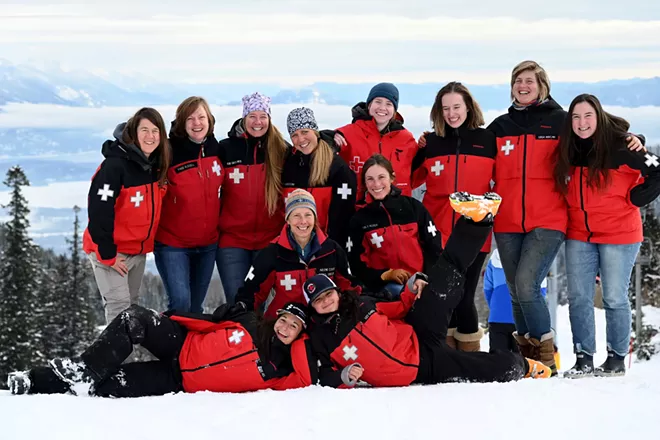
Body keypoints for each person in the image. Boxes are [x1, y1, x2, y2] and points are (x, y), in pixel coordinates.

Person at [483, 61, 644, 373]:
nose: (523, 85)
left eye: (530, 80)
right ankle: (528, 360)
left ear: (542, 85)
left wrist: (630, 137)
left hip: (550, 219)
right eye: (518, 80)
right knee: (516, 289)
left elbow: (596, 133)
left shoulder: (560, 122)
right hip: (508, 220)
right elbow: (476, 152)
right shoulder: (500, 126)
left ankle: (545, 358)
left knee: (528, 284)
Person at [305, 195, 551, 389]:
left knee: (441, 283)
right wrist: (344, 376)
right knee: (481, 369)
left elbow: (397, 308)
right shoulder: (322, 338)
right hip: (423, 367)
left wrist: (411, 289)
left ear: (337, 292)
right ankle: (523, 366)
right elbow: (323, 374)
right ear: (312, 308)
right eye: (318, 300)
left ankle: (478, 220)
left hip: (417, 331)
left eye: (328, 294)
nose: (326, 301)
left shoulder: (358, 304)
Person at [553, 94, 660, 378]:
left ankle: (615, 358)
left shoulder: (622, 147)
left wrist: (639, 197)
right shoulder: (568, 147)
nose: (582, 123)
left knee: (613, 297)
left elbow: (658, 169)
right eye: (575, 117)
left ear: (599, 117)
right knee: (578, 297)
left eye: (588, 116)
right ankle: (583, 358)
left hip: (620, 234)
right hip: (579, 233)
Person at [7, 302, 316, 397]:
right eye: (284, 320)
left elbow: (304, 376)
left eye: (294, 327)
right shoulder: (251, 322)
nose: (284, 328)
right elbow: (211, 319)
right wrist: (172, 320)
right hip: (180, 343)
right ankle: (84, 369)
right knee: (133, 319)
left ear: (300, 335)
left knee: (110, 384)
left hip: (176, 380)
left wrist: (303, 338)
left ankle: (33, 380)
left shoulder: (279, 373)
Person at [412, 82, 496, 351]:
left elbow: (504, 182)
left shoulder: (487, 141)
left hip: (474, 233)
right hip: (437, 232)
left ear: (468, 107)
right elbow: (410, 179)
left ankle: (470, 354)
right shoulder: (432, 144)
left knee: (463, 296)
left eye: (456, 107)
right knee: (440, 297)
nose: (451, 113)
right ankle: (444, 354)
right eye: (445, 108)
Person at [82, 108, 169, 323]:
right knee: (120, 311)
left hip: (137, 252)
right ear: (133, 133)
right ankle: (112, 357)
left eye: (155, 131)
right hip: (112, 252)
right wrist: (108, 253)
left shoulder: (153, 165)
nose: (150, 136)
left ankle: (127, 357)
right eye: (144, 130)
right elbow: (98, 210)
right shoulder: (114, 166)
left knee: (131, 309)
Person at [235, 189, 362, 318]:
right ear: (288, 220)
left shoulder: (331, 250)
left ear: (315, 218)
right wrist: (241, 309)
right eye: (296, 215)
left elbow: (349, 286)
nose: (303, 221)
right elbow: (252, 293)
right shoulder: (272, 253)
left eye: (308, 215)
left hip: (322, 322)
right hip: (286, 323)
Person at [217, 92, 289, 304]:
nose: (258, 122)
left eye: (263, 117)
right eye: (252, 116)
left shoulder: (281, 149)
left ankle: (262, 339)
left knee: (262, 304)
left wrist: (329, 138)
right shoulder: (227, 148)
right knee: (237, 303)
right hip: (232, 241)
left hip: (270, 240)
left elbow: (308, 156)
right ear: (243, 118)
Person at [154, 96, 223, 313]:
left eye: (201, 117)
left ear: (210, 120)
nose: (197, 123)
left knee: (195, 307)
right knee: (181, 305)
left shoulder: (215, 148)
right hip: (173, 244)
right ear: (182, 123)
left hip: (208, 244)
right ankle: (172, 347)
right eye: (190, 118)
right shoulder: (168, 152)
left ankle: (190, 348)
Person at [347, 154, 442, 298]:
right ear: (365, 183)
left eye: (381, 177)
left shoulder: (413, 208)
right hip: (384, 291)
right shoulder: (360, 219)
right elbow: (356, 264)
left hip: (421, 286)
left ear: (392, 178)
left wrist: (424, 277)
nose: (376, 184)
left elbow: (433, 247)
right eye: (370, 179)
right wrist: (385, 275)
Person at [282, 107, 357, 247]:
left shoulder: (336, 167)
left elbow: (343, 216)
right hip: (295, 247)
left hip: (327, 247)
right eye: (294, 135)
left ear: (315, 132)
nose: (300, 139)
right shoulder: (289, 165)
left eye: (305, 132)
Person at [334, 83, 419, 197]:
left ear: (394, 110)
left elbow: (417, 173)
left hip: (396, 208)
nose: (382, 108)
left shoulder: (406, 139)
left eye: (389, 104)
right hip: (357, 207)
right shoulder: (348, 134)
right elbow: (323, 152)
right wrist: (329, 137)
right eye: (378, 102)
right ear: (369, 105)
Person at [484, 249, 547, 353]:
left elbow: (488, 288)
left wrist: (496, 308)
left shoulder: (495, 257)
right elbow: (541, 291)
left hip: (497, 317)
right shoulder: (533, 257)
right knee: (522, 359)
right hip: (523, 318)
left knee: (497, 359)